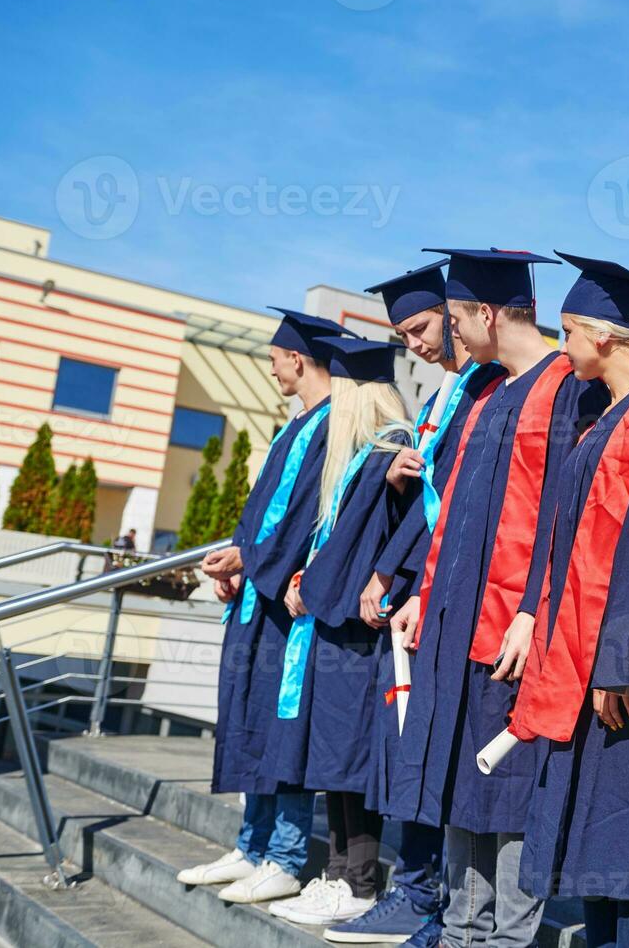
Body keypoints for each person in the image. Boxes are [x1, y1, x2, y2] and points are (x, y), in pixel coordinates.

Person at [385, 247, 608, 948]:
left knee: (505, 787)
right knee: (458, 780)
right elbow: (452, 507)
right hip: (455, 619)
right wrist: (424, 589)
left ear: (484, 313)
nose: (449, 332)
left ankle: (508, 940)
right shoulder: (485, 391)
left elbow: (568, 518)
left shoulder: (567, 386)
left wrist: (533, 611)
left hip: (511, 624)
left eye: (453, 317)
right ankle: (460, 932)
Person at [505, 252, 629, 948]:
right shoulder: (603, 420)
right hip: (579, 656)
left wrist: (622, 663)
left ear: (603, 336)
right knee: (592, 837)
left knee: (621, 837)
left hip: (621, 671)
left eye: (567, 333)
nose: (562, 350)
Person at [328, 261, 507, 947]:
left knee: (433, 748)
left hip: (457, 597)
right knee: (410, 749)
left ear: (455, 313)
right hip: (420, 586)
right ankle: (420, 892)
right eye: (403, 334)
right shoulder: (443, 394)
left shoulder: (490, 388)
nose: (415, 344)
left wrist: (400, 576)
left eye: (422, 327)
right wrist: (386, 564)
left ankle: (430, 898)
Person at [181, 308, 350, 904]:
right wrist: (237, 562)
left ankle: (284, 853)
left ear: (297, 359)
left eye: (275, 357)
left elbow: (309, 517)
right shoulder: (295, 425)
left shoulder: (334, 426)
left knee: (282, 728)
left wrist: (253, 563)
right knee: (251, 718)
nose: (272, 366)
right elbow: (262, 515)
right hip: (260, 598)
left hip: (290, 604)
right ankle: (252, 845)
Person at [256, 336, 411, 926]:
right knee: (333, 762)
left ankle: (362, 880)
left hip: (359, 632)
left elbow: (376, 543)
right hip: (331, 621)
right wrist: (304, 578)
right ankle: (338, 874)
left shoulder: (391, 450)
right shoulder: (360, 456)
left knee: (352, 764)